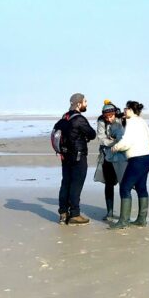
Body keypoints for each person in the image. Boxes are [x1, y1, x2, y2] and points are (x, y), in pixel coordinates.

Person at [109, 101, 149, 229]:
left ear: (130, 110)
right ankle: (141, 219)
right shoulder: (142, 121)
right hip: (147, 158)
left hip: (137, 159)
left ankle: (123, 221)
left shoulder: (132, 122)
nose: (124, 111)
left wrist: (116, 147)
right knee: (141, 187)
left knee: (124, 187)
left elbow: (127, 142)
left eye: (125, 108)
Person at [52, 93, 96, 225]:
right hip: (78, 156)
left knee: (65, 183)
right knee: (76, 185)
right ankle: (75, 215)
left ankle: (63, 213)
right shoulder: (79, 119)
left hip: (65, 156)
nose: (86, 104)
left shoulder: (63, 118)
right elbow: (92, 134)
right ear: (78, 104)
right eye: (85, 101)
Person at [94, 101, 127, 221]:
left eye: (110, 116)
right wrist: (113, 142)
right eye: (106, 117)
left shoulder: (122, 120)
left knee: (124, 184)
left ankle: (124, 215)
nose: (108, 119)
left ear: (114, 113)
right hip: (107, 156)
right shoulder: (101, 121)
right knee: (109, 184)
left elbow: (124, 138)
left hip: (122, 157)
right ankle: (109, 212)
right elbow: (101, 139)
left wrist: (115, 142)